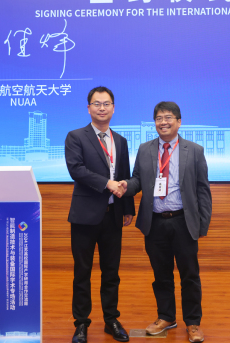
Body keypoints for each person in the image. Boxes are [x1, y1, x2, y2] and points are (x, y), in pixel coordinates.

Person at [117, 101, 212, 343]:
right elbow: (138, 179)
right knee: (161, 275)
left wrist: (203, 224)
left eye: (168, 117)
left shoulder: (195, 150)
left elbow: (202, 189)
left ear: (179, 122)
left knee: (190, 275)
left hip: (183, 222)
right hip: (155, 222)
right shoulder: (145, 149)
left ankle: (193, 323)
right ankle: (166, 317)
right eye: (159, 118)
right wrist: (127, 186)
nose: (163, 122)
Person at [65, 86, 135, 343]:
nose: (102, 108)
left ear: (113, 108)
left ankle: (111, 320)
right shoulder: (76, 136)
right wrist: (107, 183)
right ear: (88, 108)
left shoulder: (121, 141)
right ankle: (81, 323)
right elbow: (76, 170)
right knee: (82, 272)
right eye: (97, 103)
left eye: (106, 104)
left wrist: (128, 208)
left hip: (113, 215)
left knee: (111, 272)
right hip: (84, 216)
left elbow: (125, 176)